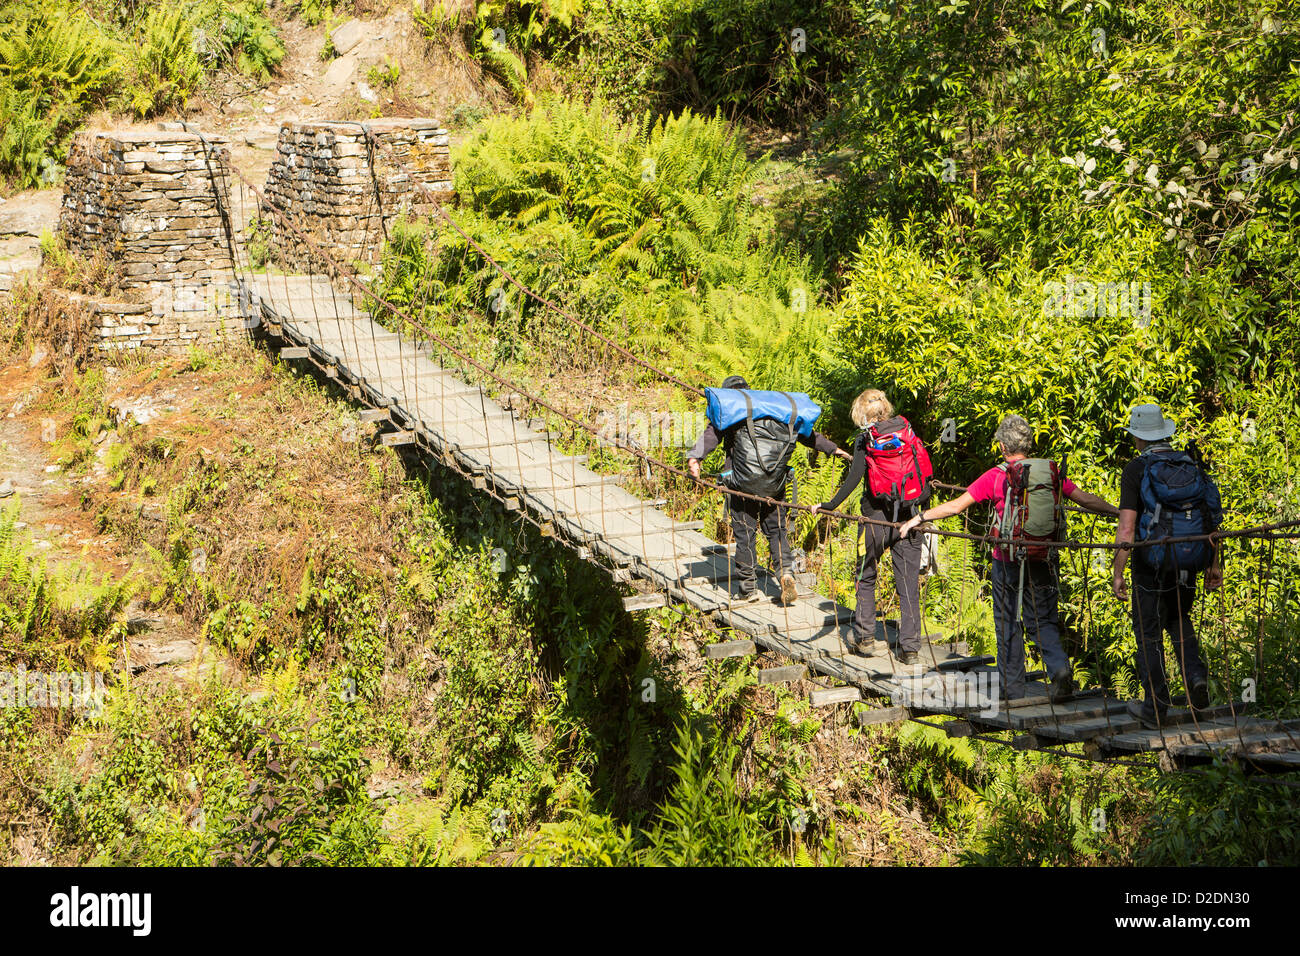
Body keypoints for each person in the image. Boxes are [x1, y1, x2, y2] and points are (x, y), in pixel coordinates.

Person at [899, 414, 1118, 700]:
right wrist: (1119, 512)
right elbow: (1085, 499)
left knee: (1007, 622)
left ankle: (1011, 688)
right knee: (1043, 620)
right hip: (1044, 558)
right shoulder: (1050, 473)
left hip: (1007, 558)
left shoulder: (998, 475)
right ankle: (1059, 671)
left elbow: (956, 506)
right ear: (1028, 444)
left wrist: (920, 517)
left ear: (1003, 447)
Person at [687, 375, 850, 605]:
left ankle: (747, 588)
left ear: (727, 394)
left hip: (741, 485)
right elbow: (807, 435)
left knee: (745, 533)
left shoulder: (731, 410)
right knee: (777, 531)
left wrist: (695, 457)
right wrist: (835, 450)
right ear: (748, 391)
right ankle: (785, 572)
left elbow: (712, 435)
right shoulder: (773, 409)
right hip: (775, 485)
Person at [1111, 403, 1222, 729]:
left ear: (1138, 438)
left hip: (1150, 564)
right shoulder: (1192, 464)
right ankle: (1196, 679)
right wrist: (1213, 564)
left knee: (1147, 634)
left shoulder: (1135, 470)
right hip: (1189, 560)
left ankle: (1156, 708)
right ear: (1164, 434)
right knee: (1178, 619)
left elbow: (1127, 529)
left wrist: (1118, 571)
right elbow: (1212, 519)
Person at [811, 390, 932, 665]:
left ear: (861, 414)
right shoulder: (907, 431)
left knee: (866, 572)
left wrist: (830, 505)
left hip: (875, 517)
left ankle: (865, 638)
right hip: (910, 517)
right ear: (886, 409)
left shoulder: (865, 439)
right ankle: (910, 648)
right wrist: (922, 511)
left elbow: (854, 478)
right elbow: (924, 472)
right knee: (908, 582)